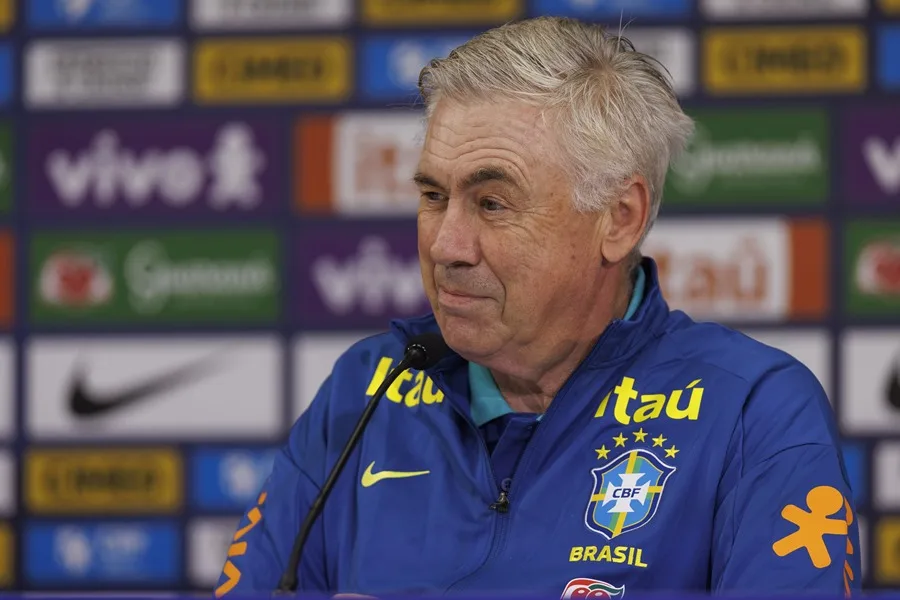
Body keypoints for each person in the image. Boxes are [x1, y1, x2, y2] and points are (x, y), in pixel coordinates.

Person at [215, 16, 860, 598]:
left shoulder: (753, 410)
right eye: (434, 196)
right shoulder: (367, 390)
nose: (446, 245)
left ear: (619, 218)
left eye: (492, 203)